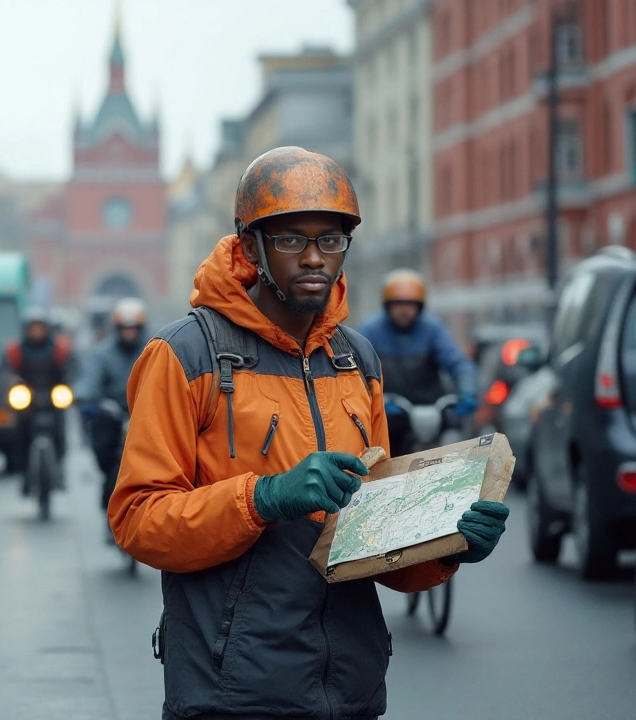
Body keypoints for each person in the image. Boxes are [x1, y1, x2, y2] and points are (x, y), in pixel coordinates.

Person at [108, 147, 509, 719]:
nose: (316, 257)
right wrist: (263, 497)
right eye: (292, 240)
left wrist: (449, 544)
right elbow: (138, 519)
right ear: (252, 247)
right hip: (233, 693)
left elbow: (372, 541)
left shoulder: (357, 359)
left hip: (351, 691)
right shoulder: (186, 355)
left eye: (331, 239)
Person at [357, 269, 480, 453]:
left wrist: (467, 390)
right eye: (398, 304)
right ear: (387, 305)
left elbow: (459, 364)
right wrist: (374, 402)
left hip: (432, 415)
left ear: (419, 306)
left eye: (410, 304)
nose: (404, 310)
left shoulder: (432, 329)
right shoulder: (370, 331)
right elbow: (355, 372)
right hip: (389, 418)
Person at [78, 298, 149, 521]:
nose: (129, 333)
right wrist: (86, 399)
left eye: (133, 328)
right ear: (117, 329)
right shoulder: (102, 353)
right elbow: (89, 382)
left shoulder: (154, 349)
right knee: (105, 452)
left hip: (145, 413)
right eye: (124, 328)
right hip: (112, 413)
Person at [0, 308, 76, 481]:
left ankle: (60, 463)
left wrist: (70, 386)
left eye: (39, 327)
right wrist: (10, 383)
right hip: (27, 401)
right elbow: (4, 373)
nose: (36, 331)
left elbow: (72, 369)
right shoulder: (15, 350)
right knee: (20, 433)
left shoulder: (60, 349)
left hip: (53, 399)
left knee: (60, 429)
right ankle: (22, 469)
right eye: (33, 327)